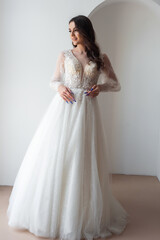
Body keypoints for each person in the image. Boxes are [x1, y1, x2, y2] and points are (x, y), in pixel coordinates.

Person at [7, 15, 129, 240]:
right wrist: (60, 86)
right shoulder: (64, 55)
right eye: (69, 31)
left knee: (83, 158)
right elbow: (52, 80)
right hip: (65, 110)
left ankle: (80, 215)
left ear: (85, 31)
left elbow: (116, 84)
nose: (71, 35)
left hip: (88, 113)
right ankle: (54, 212)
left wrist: (100, 88)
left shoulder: (100, 57)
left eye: (75, 30)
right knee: (60, 157)